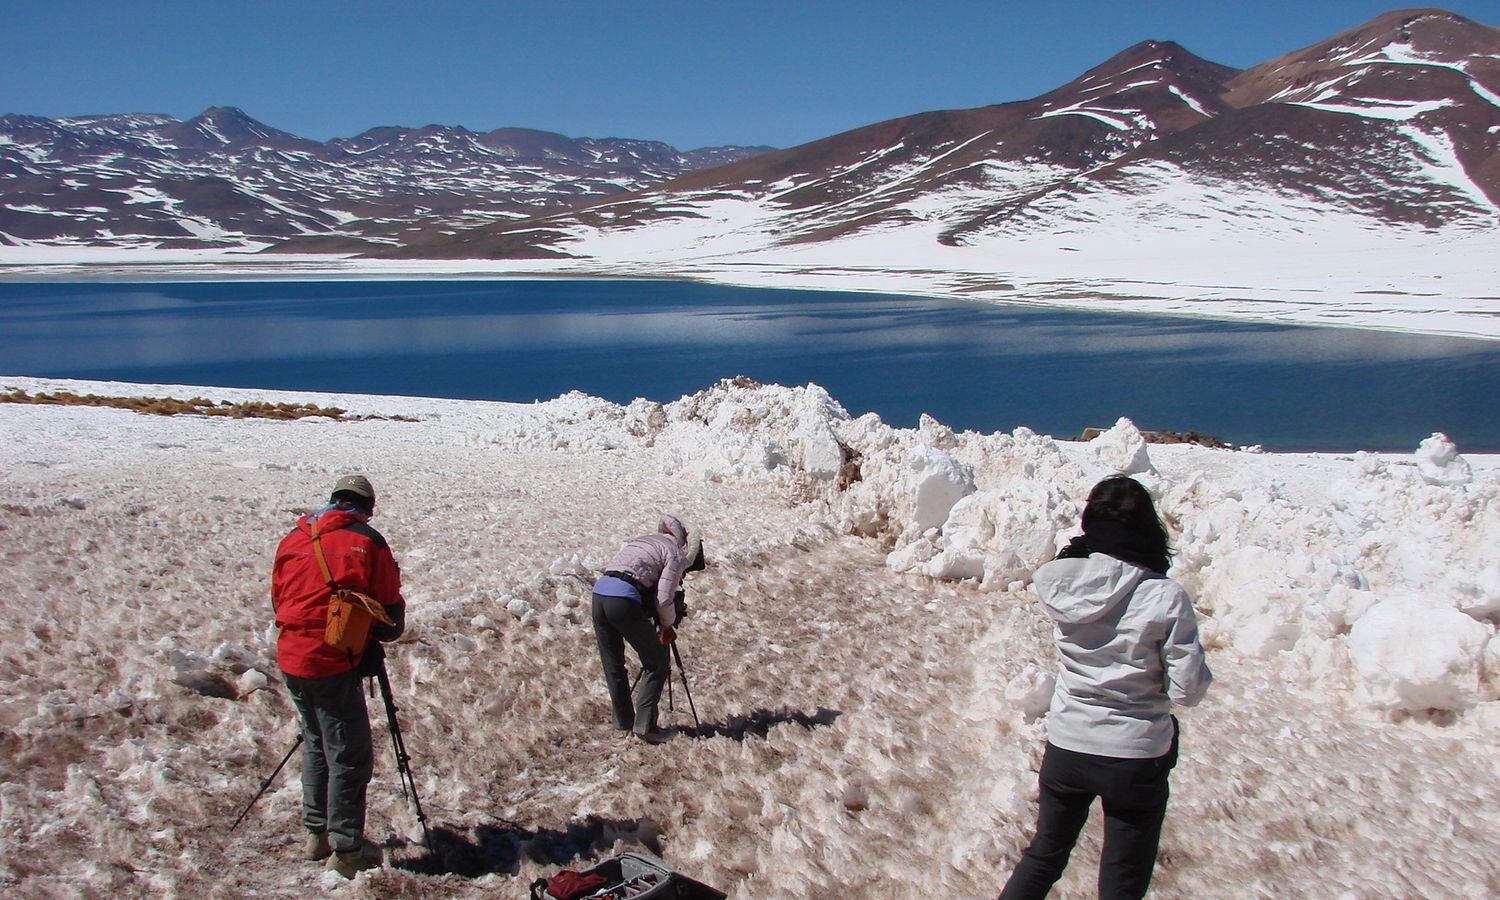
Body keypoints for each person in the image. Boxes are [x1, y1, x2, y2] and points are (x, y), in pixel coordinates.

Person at [998, 475, 1212, 900]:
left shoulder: (1061, 581)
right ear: (1147, 526)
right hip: (1136, 757)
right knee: (1123, 879)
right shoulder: (1165, 596)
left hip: (1067, 745)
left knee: (1044, 856)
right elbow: (1189, 690)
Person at [271, 474, 405, 878]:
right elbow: (389, 607)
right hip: (333, 658)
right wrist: (375, 634)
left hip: (291, 656)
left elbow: (279, 595)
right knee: (348, 753)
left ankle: (317, 834)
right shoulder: (367, 541)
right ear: (366, 508)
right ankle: (347, 850)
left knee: (316, 742)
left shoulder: (294, 538)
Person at [591, 514, 704, 744]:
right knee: (657, 662)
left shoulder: (645, 541)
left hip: (599, 594)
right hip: (623, 601)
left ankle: (623, 720)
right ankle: (646, 726)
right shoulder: (674, 553)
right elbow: (663, 600)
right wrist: (667, 625)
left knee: (613, 664)